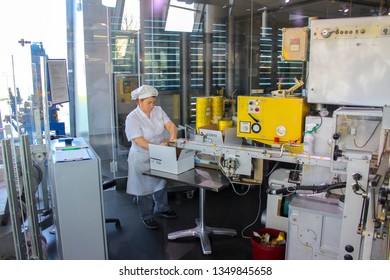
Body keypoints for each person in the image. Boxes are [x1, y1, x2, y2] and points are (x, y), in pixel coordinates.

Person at [125, 85, 178, 230]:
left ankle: (162, 208)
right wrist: (157, 148)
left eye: (153, 102)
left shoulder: (158, 110)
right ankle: (146, 215)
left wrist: (173, 137)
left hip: (159, 153)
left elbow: (170, 125)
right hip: (141, 156)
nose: (152, 106)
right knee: (144, 188)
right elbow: (139, 141)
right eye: (148, 103)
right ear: (139, 101)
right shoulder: (132, 118)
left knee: (160, 183)